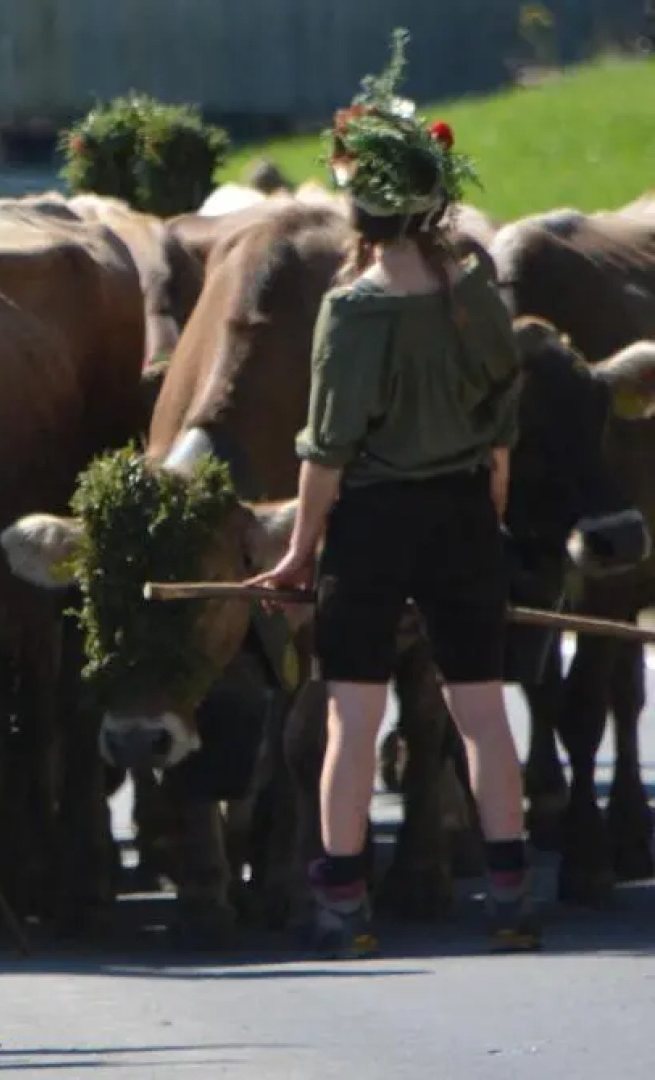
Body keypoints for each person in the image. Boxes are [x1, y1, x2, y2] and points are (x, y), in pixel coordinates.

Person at [245, 30, 540, 957]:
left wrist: (296, 553)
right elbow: (503, 412)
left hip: (372, 521)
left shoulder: (353, 308)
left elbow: (326, 446)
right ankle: (509, 894)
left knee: (352, 714)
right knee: (484, 712)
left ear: (359, 208)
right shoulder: (479, 291)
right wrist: (489, 497)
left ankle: (343, 907)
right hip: (460, 514)